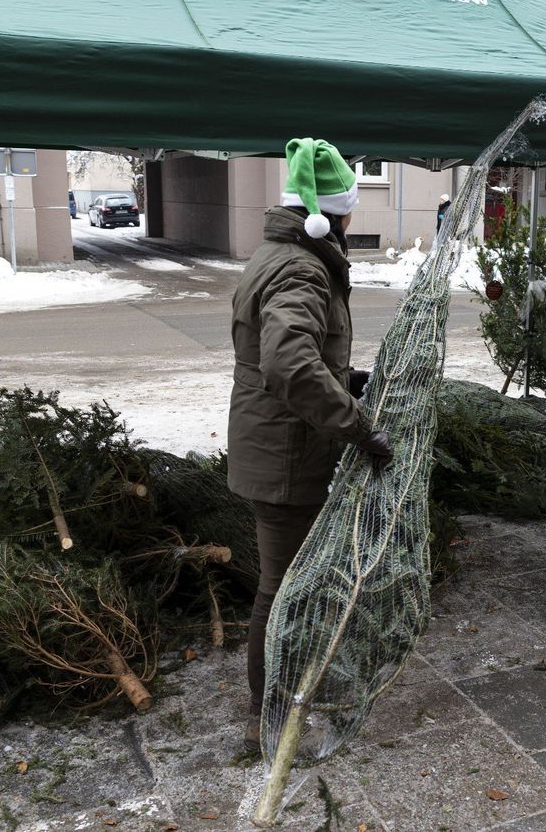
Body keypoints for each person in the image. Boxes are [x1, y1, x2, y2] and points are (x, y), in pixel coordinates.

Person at [228, 137, 393, 751]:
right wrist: (358, 426)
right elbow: (289, 365)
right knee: (283, 588)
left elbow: (291, 354)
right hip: (286, 452)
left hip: (276, 440)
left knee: (287, 583)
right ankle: (267, 715)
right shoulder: (302, 266)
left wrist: (346, 379)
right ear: (332, 213)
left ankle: (281, 697)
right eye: (350, 208)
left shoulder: (279, 251)